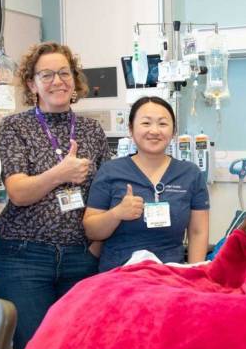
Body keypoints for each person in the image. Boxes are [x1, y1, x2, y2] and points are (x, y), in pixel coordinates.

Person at [0, 42, 111, 349]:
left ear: (74, 79)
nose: (57, 81)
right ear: (31, 84)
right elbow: (18, 192)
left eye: (63, 73)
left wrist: (93, 250)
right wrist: (61, 173)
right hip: (24, 259)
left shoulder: (91, 130)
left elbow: (105, 193)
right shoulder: (16, 127)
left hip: (80, 259)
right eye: (46, 75)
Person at [84, 96, 209, 270]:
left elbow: (198, 232)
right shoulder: (110, 171)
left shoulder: (190, 174)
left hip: (170, 276)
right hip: (119, 276)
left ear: (173, 131)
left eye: (163, 124)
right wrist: (117, 213)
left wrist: (195, 275)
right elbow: (91, 231)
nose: (155, 131)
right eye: (146, 123)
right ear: (130, 129)